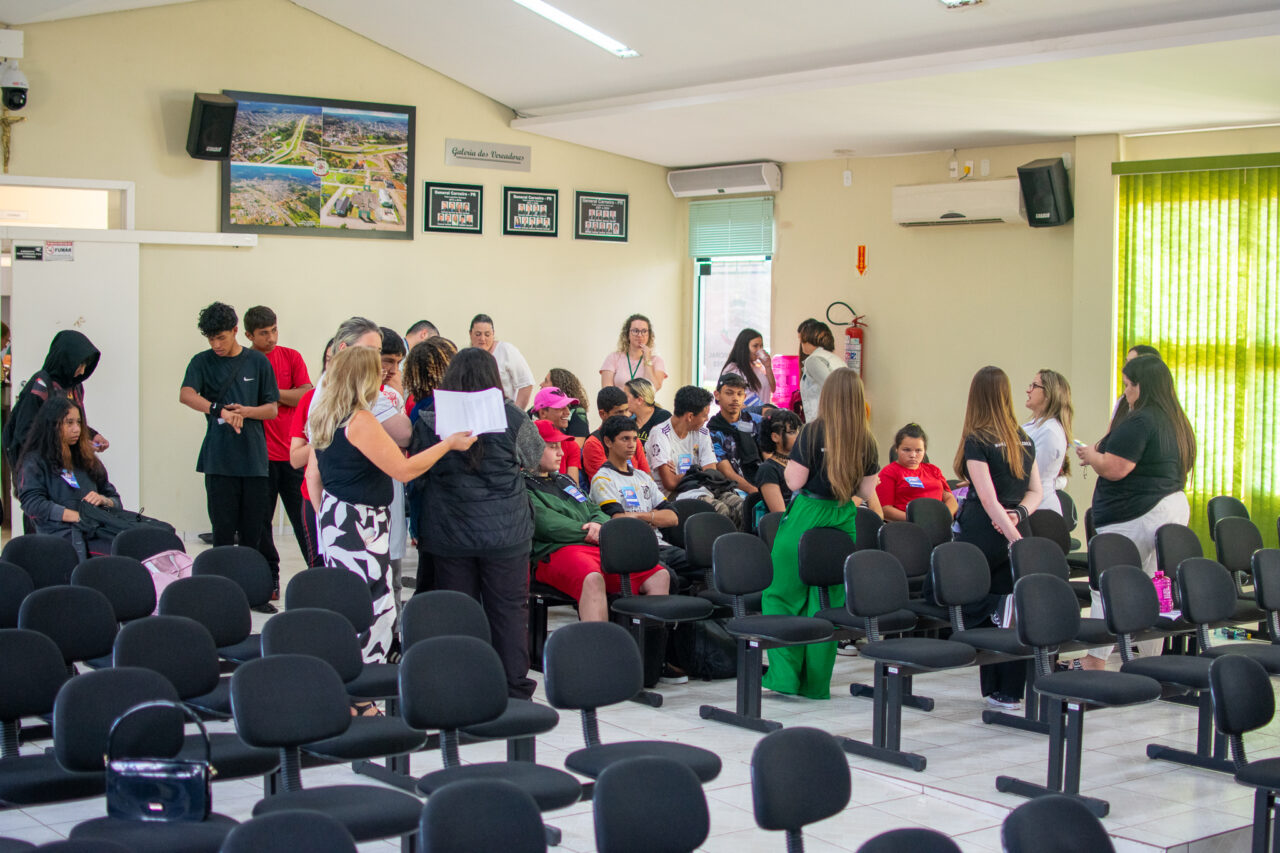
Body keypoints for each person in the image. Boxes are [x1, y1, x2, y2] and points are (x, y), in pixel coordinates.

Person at [306, 347, 475, 674]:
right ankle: (366, 690)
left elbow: (313, 475)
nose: (384, 377)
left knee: (345, 601)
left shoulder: (325, 413)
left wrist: (327, 518)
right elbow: (404, 470)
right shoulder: (361, 419)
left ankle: (347, 684)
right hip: (361, 522)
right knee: (375, 607)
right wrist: (448, 444)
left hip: (335, 515)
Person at [410, 347, 545, 699]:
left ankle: (463, 686)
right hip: (507, 533)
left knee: (458, 612)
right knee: (510, 612)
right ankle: (513, 688)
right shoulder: (512, 416)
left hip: (449, 532)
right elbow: (536, 459)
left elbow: (416, 467)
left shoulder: (428, 416)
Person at [763, 368, 881, 700]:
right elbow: (866, 490)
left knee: (782, 596)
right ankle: (816, 685)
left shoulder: (814, 431)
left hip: (807, 516)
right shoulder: (867, 440)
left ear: (827, 397)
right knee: (825, 604)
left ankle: (785, 679)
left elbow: (794, 483)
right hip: (843, 517)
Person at [1076, 354, 1195, 669]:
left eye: (1128, 385)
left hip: (1136, 513)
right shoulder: (1176, 420)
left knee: (1107, 582)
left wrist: (1092, 455)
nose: (1125, 393)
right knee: (1156, 583)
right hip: (1170, 508)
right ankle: (1151, 660)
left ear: (1142, 387)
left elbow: (1116, 468)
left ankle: (1095, 659)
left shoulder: (1142, 419)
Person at [952, 366, 1042, 709]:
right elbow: (1036, 490)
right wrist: (1019, 518)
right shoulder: (1024, 437)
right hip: (1016, 525)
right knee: (1015, 608)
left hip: (986, 533)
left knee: (990, 608)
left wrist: (1011, 533)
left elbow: (988, 499)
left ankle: (996, 687)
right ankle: (1012, 689)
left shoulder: (977, 439)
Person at [527, 418, 670, 622]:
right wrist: (591, 532)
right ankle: (599, 650)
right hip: (556, 551)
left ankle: (646, 649)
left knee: (658, 574)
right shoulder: (524, 485)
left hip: (596, 546)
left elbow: (595, 509)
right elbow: (546, 525)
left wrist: (599, 526)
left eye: (560, 446)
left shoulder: (564, 480)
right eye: (553, 447)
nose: (561, 453)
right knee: (592, 578)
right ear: (532, 449)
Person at [179, 302, 280, 573]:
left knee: (254, 534)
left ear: (235, 331)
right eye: (211, 339)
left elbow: (272, 409)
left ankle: (252, 589)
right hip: (219, 460)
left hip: (254, 461)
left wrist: (246, 412)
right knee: (222, 532)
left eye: (221, 337)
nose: (216, 344)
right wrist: (217, 409)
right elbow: (186, 394)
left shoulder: (257, 362)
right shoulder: (201, 362)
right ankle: (221, 591)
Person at [243, 305, 313, 602]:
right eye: (263, 333)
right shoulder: (244, 362)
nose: (271, 338)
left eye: (274, 330)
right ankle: (268, 584)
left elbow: (305, 394)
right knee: (261, 526)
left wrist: (270, 393)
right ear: (249, 335)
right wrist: (284, 394)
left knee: (305, 520)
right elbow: (246, 403)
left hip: (293, 454)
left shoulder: (291, 356)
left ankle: (318, 576)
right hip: (260, 458)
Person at [16, 397, 120, 560]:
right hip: (58, 540)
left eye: (79, 422)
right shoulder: (35, 461)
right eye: (69, 423)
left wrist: (104, 501)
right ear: (52, 425)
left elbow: (115, 499)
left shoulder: (88, 459)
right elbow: (32, 503)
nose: (76, 429)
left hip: (96, 532)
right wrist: (77, 516)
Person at [3, 330, 107, 493]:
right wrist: (61, 443)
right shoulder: (41, 385)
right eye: (79, 365)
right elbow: (25, 434)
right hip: (40, 475)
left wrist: (91, 436)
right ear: (66, 360)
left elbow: (72, 421)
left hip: (64, 472)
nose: (81, 371)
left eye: (85, 366)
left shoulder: (75, 387)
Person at [590, 414, 691, 579]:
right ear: (608, 442)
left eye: (635, 439)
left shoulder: (643, 477)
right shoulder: (603, 479)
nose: (632, 445)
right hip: (634, 548)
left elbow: (673, 518)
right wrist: (654, 517)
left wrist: (638, 515)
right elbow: (620, 521)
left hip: (661, 545)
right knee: (669, 577)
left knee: (707, 565)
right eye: (625, 439)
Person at [645, 384, 744, 527]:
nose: (706, 419)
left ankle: (734, 546)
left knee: (741, 506)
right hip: (673, 495)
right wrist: (697, 471)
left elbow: (710, 472)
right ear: (690, 416)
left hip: (703, 487)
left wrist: (688, 474)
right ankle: (713, 548)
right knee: (720, 510)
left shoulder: (702, 433)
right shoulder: (660, 434)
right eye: (704, 415)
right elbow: (670, 483)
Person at [403, 335, 457, 593]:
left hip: (429, 501)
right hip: (457, 503)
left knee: (430, 575)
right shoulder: (457, 404)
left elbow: (416, 465)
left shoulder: (420, 407)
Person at [287, 338, 333, 567]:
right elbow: (295, 459)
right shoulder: (310, 399)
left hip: (353, 497)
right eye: (328, 360)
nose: (332, 367)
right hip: (315, 494)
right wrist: (325, 437)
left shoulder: (377, 399)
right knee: (319, 564)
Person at [378, 327, 410, 640]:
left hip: (392, 491)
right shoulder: (365, 394)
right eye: (388, 361)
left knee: (395, 575)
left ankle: (396, 638)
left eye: (398, 363)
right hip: (365, 498)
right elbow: (405, 434)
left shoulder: (393, 393)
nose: (392, 370)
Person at [875, 423, 958, 522]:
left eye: (918, 450)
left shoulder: (933, 470)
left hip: (938, 525)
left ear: (925, 451)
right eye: (906, 450)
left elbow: (950, 498)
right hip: (909, 526)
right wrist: (919, 520)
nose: (913, 455)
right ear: (896, 449)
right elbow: (885, 509)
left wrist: (942, 516)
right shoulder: (889, 472)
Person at [1022, 369, 1074, 514]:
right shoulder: (1033, 425)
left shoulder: (1050, 432)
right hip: (1028, 507)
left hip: (1040, 511)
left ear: (1048, 394)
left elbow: (1032, 475)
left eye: (1034, 386)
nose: (1028, 390)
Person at [706, 373, 762, 495]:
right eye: (729, 393)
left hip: (764, 482)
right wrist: (754, 491)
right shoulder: (712, 432)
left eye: (739, 394)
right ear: (717, 395)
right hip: (733, 490)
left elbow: (770, 458)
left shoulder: (757, 422)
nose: (735, 398)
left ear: (744, 397)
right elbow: (727, 472)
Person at [582, 386, 651, 481]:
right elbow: (606, 483)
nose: (625, 416)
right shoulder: (594, 443)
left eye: (627, 410)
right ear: (602, 414)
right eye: (619, 412)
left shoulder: (633, 438)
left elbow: (647, 477)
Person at [468, 313, 534, 409]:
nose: (482, 339)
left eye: (487, 334)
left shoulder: (506, 350)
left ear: (493, 334)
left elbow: (526, 384)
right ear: (470, 334)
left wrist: (516, 414)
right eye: (478, 334)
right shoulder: (466, 356)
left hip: (505, 412)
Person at [601, 314, 667, 392]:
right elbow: (607, 392)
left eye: (644, 331)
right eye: (635, 331)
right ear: (627, 334)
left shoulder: (656, 361)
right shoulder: (613, 358)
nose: (639, 335)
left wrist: (647, 360)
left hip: (644, 404)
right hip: (619, 404)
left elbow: (653, 388)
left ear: (649, 335)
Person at [531, 386, 582, 483]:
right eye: (561, 408)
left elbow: (574, 488)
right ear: (542, 413)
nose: (567, 412)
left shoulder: (571, 445)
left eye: (568, 407)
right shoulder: (526, 441)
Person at [754, 409, 800, 515]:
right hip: (789, 526)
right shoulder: (768, 469)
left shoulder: (801, 463)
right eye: (792, 432)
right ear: (775, 437)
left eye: (799, 430)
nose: (798, 435)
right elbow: (779, 514)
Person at [798, 321, 845, 422]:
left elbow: (830, 387)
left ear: (810, 339)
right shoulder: (835, 359)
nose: (801, 345)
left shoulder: (813, 360)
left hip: (822, 421)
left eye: (802, 340)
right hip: (837, 420)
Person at [720, 328, 775, 409]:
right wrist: (764, 411)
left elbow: (772, 389)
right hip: (746, 419)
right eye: (755, 346)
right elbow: (736, 400)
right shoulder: (733, 369)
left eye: (761, 346)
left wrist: (768, 367)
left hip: (762, 416)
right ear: (744, 348)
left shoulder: (758, 366)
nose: (759, 350)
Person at [542, 368, 591, 443]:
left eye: (546, 381)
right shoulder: (537, 409)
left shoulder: (577, 411)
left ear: (557, 385)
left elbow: (577, 447)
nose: (541, 384)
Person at [1113, 344, 1162, 418]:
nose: (1126, 368)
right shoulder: (1123, 402)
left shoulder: (1158, 409)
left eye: (1131, 363)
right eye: (1126, 363)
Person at [625, 378, 670, 445]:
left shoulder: (663, 417)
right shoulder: (629, 421)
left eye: (626, 397)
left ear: (639, 400)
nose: (623, 400)